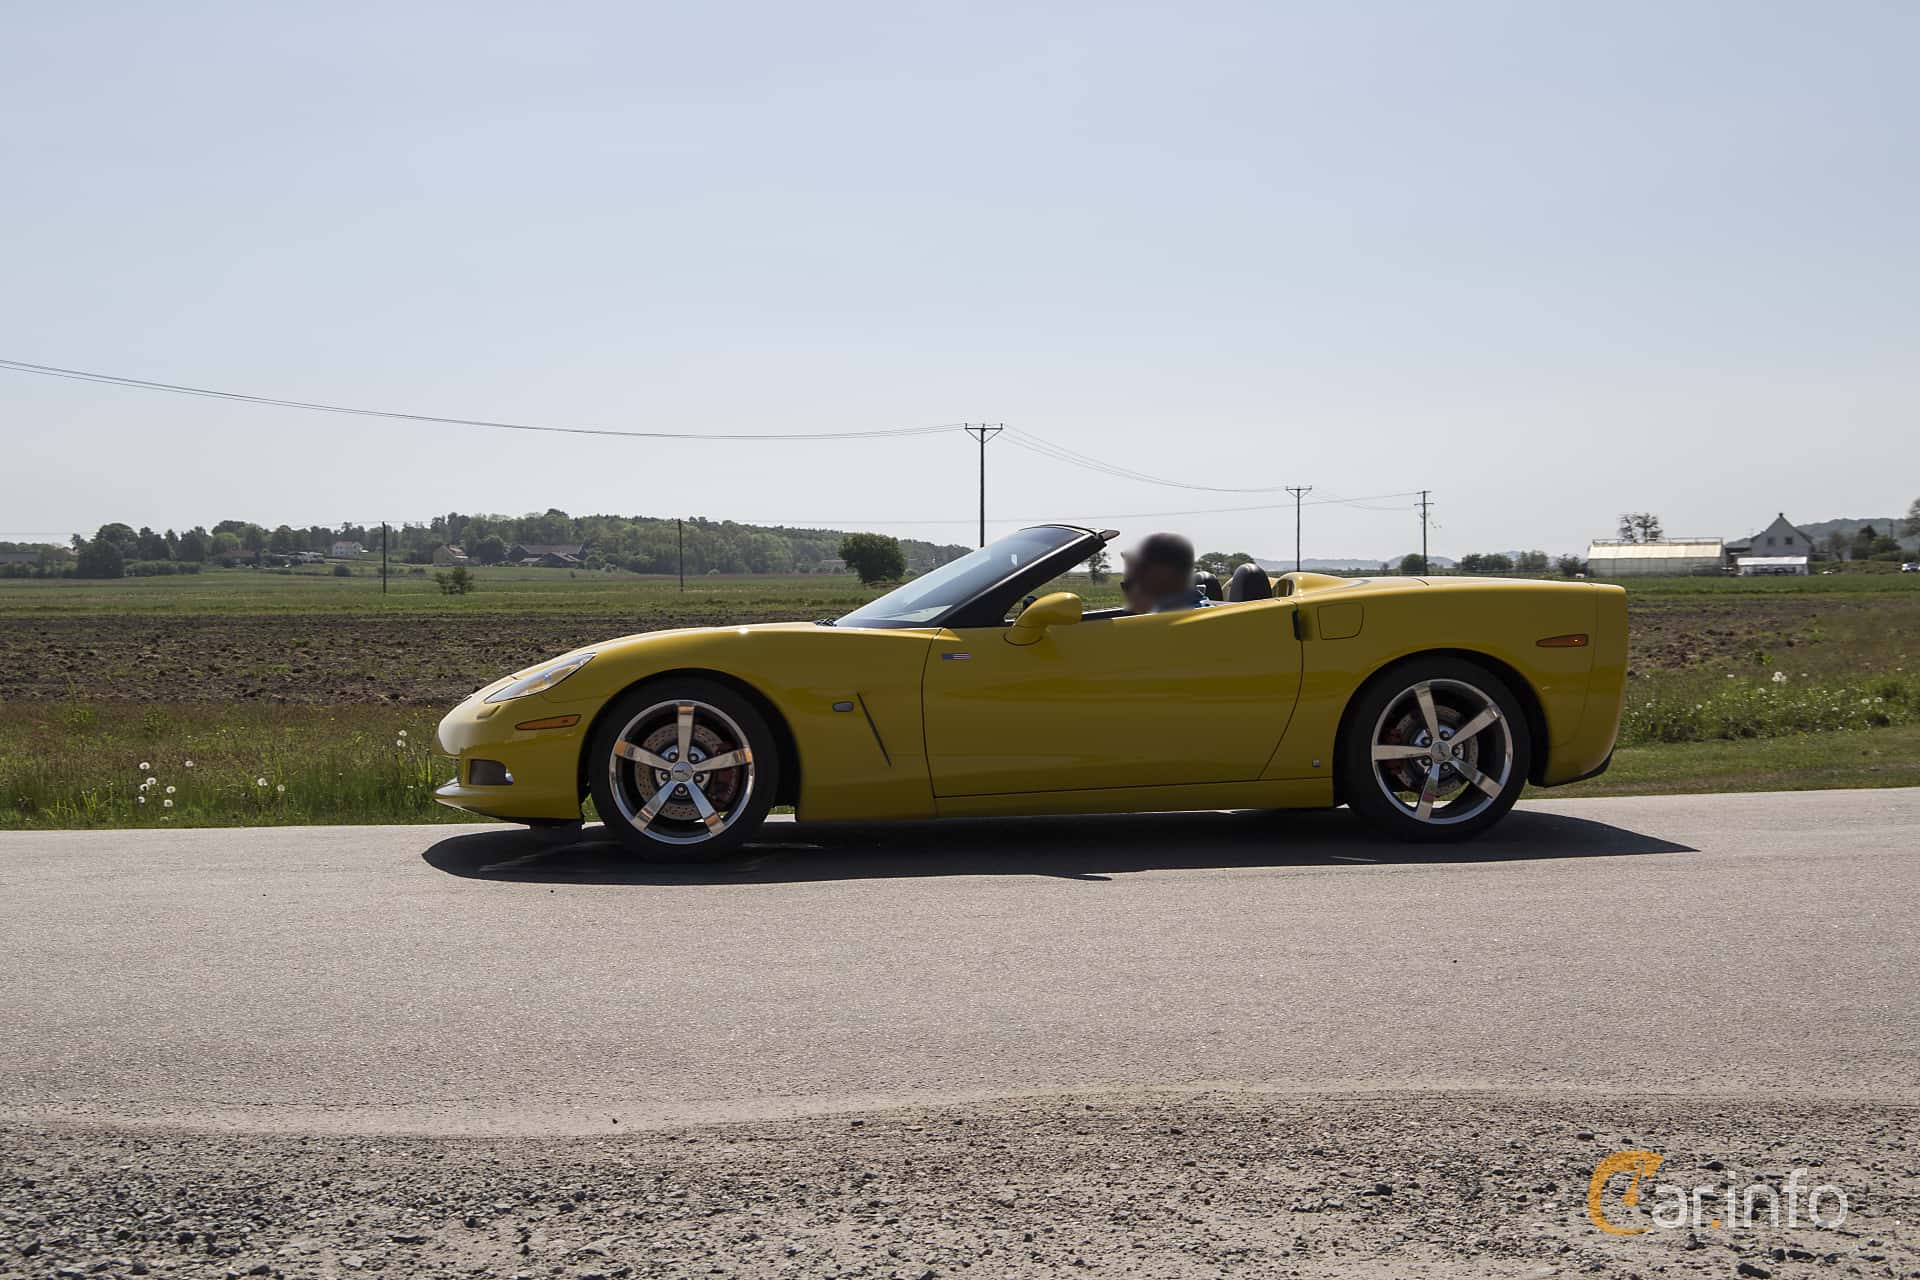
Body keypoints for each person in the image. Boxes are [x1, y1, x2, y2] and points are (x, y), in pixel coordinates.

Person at [1121, 532, 1213, 614]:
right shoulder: (1206, 610)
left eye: (1129, 585)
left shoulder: (1165, 619)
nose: (1131, 592)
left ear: (1162, 574)